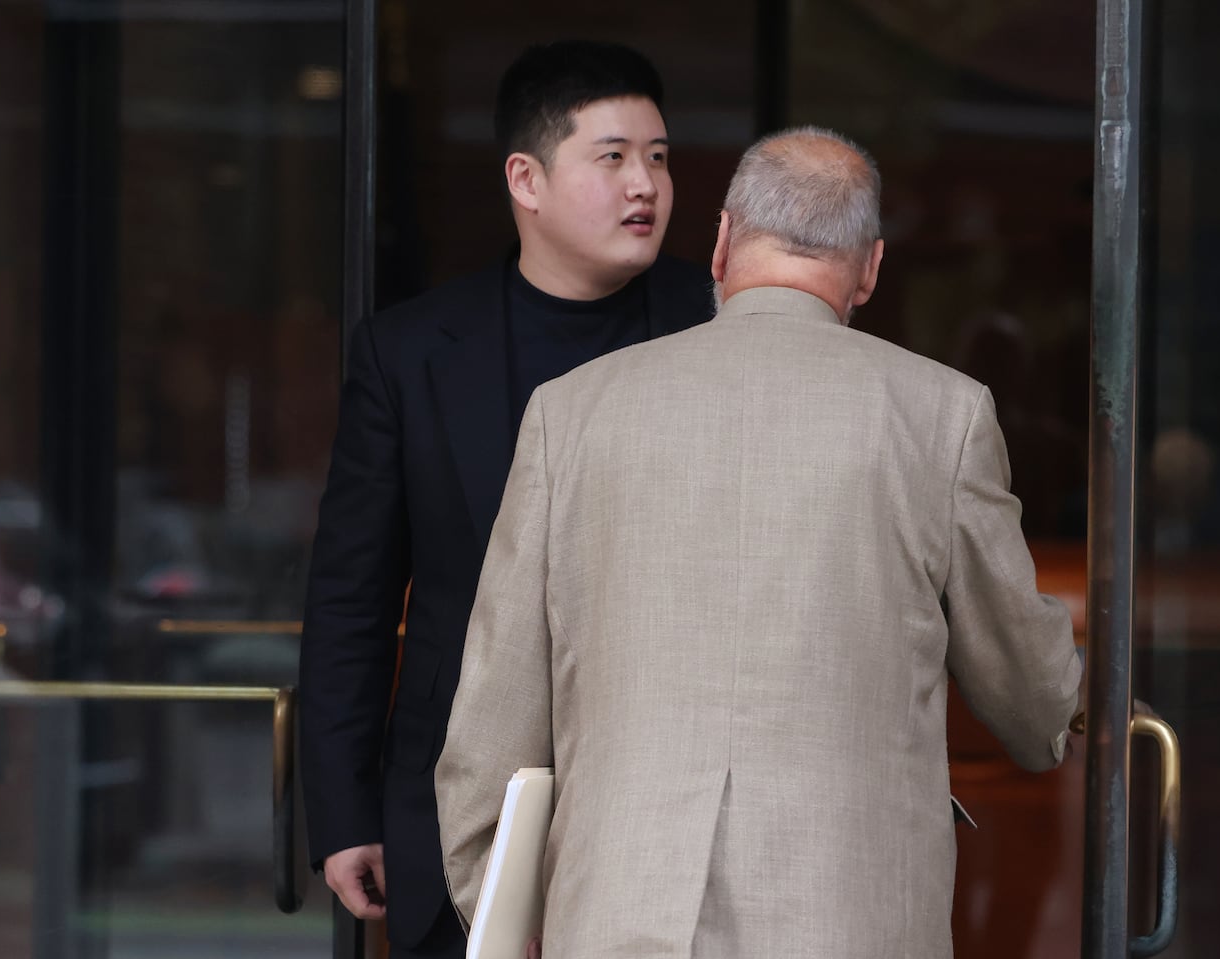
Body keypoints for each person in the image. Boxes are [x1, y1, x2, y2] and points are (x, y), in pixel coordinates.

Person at [436, 127, 1083, 958]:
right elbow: (1032, 701)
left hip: (614, 916)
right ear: (871, 267)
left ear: (720, 242)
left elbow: (490, 716)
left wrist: (500, 906)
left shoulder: (571, 412)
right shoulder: (942, 416)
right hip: (850, 920)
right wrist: (1083, 700)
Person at [297, 39, 713, 959]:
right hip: (464, 797)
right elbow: (352, 598)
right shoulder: (408, 353)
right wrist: (341, 807)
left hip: (673, 802)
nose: (645, 183)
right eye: (612, 157)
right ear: (526, 178)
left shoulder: (716, 320)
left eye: (658, 156)